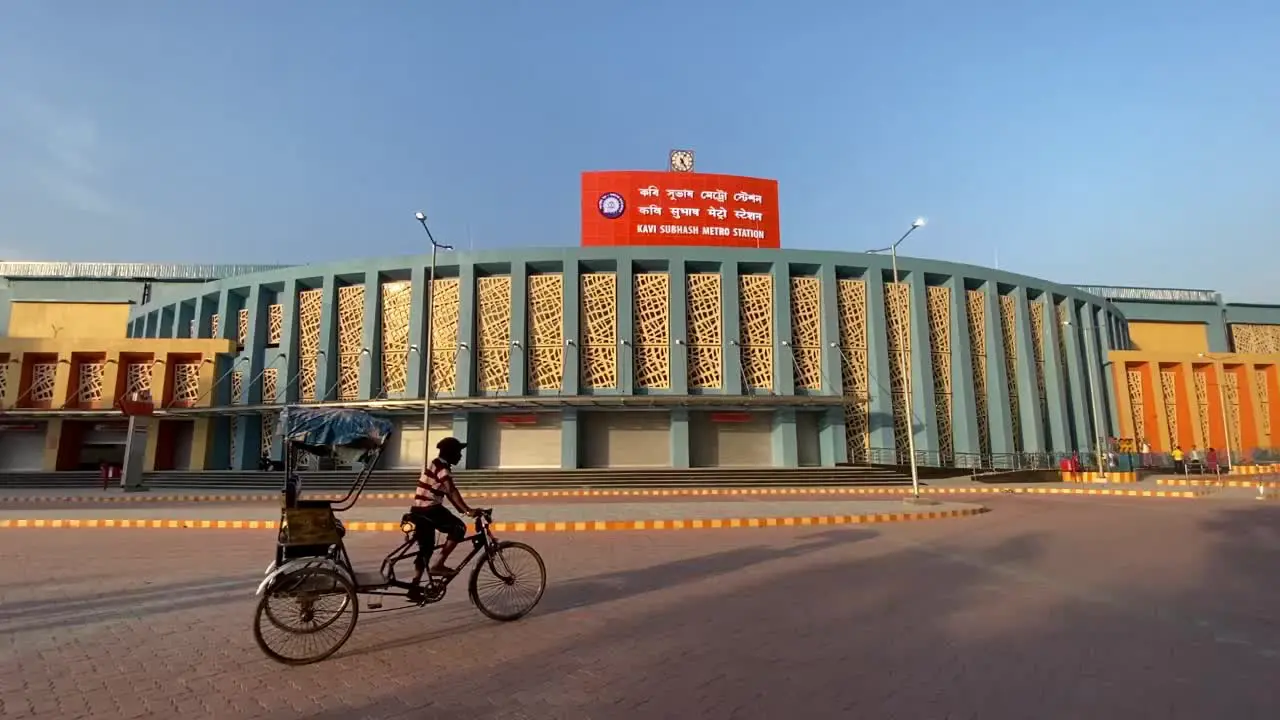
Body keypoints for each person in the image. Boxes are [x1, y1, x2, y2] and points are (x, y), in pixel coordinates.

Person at [407, 437, 477, 595]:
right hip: (430, 509)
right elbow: (451, 490)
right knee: (459, 528)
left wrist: (463, 509)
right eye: (458, 452)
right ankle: (439, 565)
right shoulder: (441, 467)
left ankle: (414, 585)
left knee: (426, 548)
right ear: (450, 453)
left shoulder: (436, 464)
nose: (460, 456)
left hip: (417, 511)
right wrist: (468, 510)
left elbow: (449, 493)